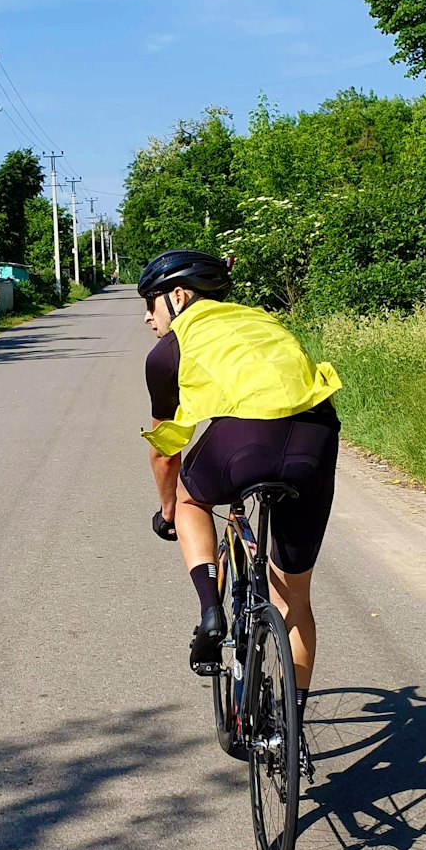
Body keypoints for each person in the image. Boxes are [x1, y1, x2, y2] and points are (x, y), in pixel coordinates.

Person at [139, 249, 342, 740]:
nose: (149, 318)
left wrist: (170, 511)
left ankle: (211, 611)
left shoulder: (169, 350)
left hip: (245, 443)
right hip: (316, 436)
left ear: (179, 296)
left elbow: (166, 451)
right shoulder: (262, 320)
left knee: (191, 499)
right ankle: (288, 726)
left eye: (151, 304)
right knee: (294, 597)